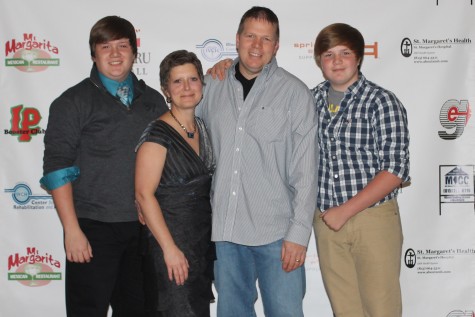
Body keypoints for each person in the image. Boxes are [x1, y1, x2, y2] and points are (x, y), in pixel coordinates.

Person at [40, 16, 168, 317]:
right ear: (93, 54)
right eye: (105, 46)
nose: (114, 54)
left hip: (142, 230)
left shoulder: (154, 101)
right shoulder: (72, 102)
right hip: (91, 228)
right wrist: (72, 229)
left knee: (141, 311)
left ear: (134, 53)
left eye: (122, 46)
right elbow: (57, 166)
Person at [197, 6, 318, 317]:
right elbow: (183, 138)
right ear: (237, 40)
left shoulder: (295, 94)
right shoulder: (210, 86)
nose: (256, 45)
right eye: (250, 36)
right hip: (225, 231)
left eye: (266, 39)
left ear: (276, 46)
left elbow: (306, 171)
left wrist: (298, 234)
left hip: (277, 234)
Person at [311, 23, 410, 317]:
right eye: (329, 54)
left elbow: (395, 169)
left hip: (373, 219)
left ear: (358, 58)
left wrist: (346, 210)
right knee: (345, 311)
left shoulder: (382, 101)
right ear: (319, 61)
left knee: (381, 310)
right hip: (327, 221)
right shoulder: (308, 100)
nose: (337, 61)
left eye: (345, 53)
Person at [135, 50, 215, 317]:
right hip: (169, 245)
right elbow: (144, 195)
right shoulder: (157, 134)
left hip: (200, 245)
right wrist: (169, 249)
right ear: (165, 90)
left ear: (202, 84)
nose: (187, 88)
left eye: (193, 79)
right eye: (177, 82)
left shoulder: (202, 127)